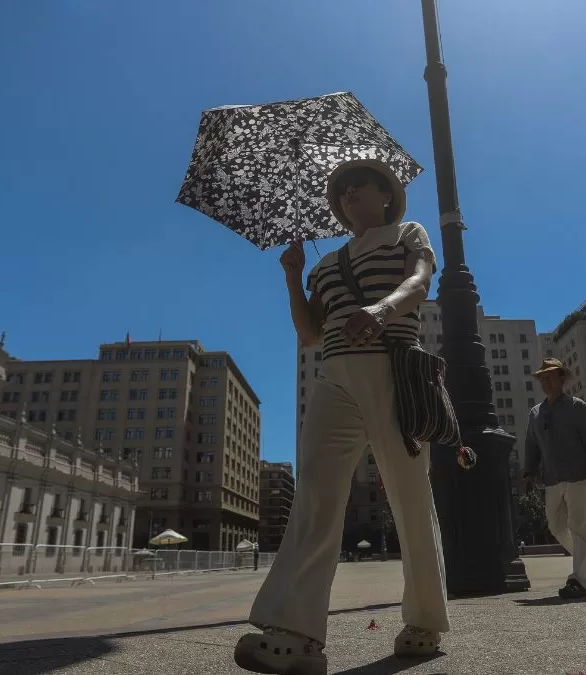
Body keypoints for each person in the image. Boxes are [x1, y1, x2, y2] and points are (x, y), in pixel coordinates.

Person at [234, 158, 447, 675]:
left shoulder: (408, 233)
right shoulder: (325, 263)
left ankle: (423, 621)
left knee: (409, 497)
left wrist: (381, 310)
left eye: (360, 186)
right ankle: (295, 633)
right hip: (332, 376)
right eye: (342, 191)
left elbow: (421, 282)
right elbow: (309, 332)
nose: (349, 194)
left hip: (394, 370)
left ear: (386, 194)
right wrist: (291, 275)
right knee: (315, 496)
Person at [522, 357, 586, 599]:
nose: (546, 382)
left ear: (562, 378)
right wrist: (528, 472)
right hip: (551, 479)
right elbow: (531, 445)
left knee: (579, 527)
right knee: (556, 526)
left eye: (551, 377)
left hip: (578, 476)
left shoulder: (576, 407)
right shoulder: (535, 413)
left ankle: (578, 581)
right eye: (542, 378)